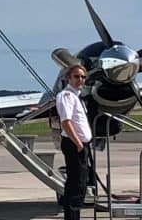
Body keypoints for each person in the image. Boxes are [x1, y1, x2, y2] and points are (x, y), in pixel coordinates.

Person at [56, 64, 92, 220]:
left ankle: (73, 215)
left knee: (80, 183)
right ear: (68, 78)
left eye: (83, 77)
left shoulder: (77, 97)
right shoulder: (67, 96)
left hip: (81, 144)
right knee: (76, 185)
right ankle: (72, 217)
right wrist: (78, 144)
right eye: (76, 76)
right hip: (74, 144)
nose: (80, 80)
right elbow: (66, 121)